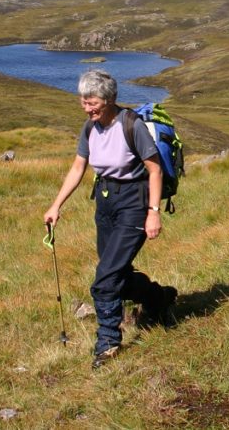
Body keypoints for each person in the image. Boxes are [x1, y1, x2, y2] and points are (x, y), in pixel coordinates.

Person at [43, 69, 177, 369]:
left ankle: (107, 343)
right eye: (83, 101)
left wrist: (153, 214)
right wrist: (56, 206)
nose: (88, 108)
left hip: (134, 201)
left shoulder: (132, 125)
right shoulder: (89, 128)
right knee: (116, 274)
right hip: (105, 202)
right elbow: (79, 167)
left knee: (104, 280)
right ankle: (158, 298)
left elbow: (154, 170)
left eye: (93, 103)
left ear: (110, 99)